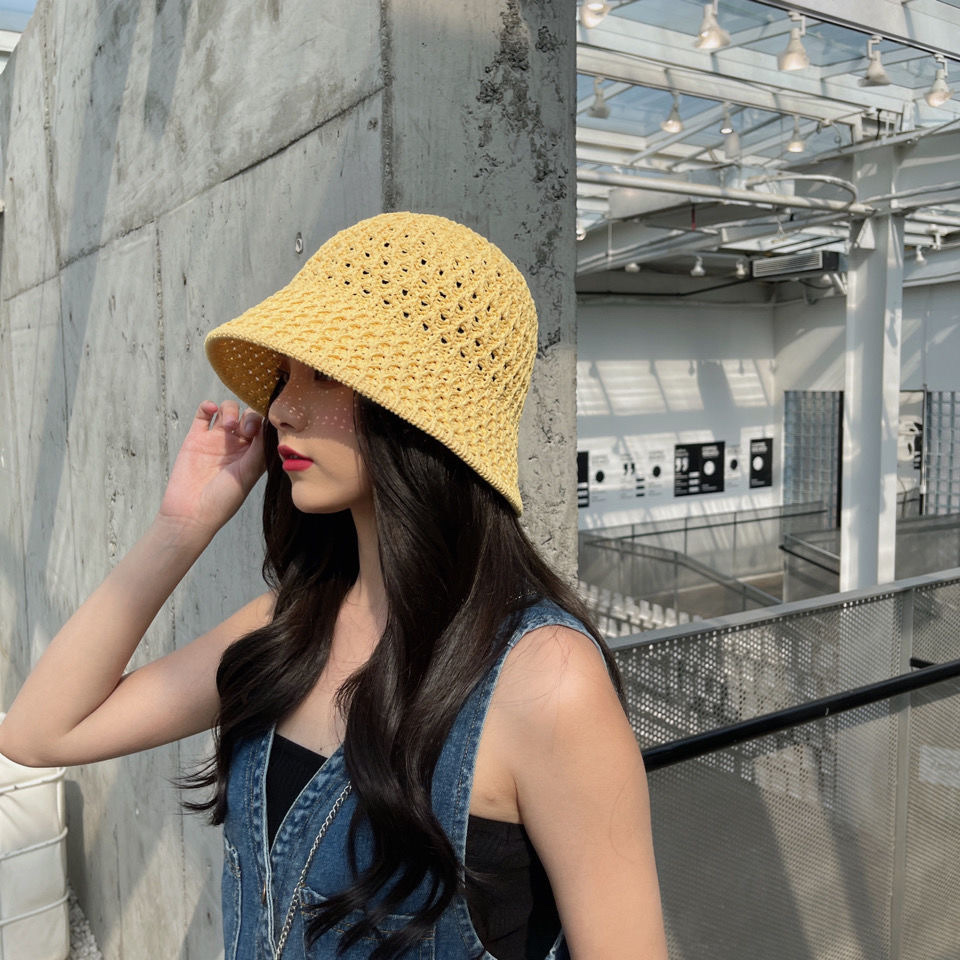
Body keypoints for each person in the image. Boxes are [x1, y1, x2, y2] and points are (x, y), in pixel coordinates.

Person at [0, 212, 668, 960]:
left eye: (325, 373)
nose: (282, 406)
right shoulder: (287, 626)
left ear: (424, 407)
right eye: (286, 374)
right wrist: (180, 526)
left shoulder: (545, 680)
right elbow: (39, 732)